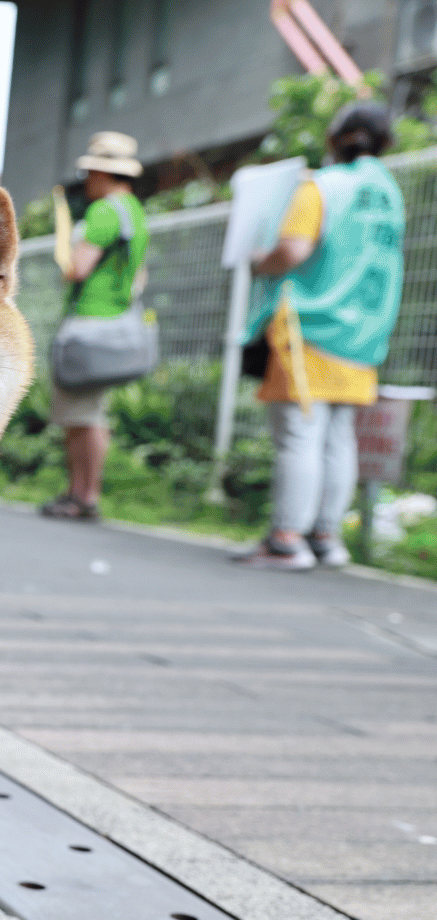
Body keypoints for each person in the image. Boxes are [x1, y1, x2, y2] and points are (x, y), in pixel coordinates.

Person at [235, 102, 405, 571]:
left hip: (310, 325)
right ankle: (326, 538)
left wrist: (257, 259)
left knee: (298, 434)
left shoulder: (320, 187)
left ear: (335, 138)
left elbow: (292, 251)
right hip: (365, 334)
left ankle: (286, 540)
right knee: (338, 438)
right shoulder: (390, 195)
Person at [40, 131, 150, 521]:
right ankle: (87, 493)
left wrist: (67, 254)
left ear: (104, 174)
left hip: (88, 324)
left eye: (91, 173)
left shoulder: (103, 211)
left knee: (79, 416)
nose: (88, 182)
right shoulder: (135, 211)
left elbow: (78, 269)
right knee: (93, 414)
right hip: (116, 325)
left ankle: (81, 496)